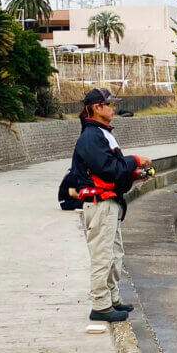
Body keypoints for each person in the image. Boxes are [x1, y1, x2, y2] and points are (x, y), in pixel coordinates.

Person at [71, 88, 151, 323]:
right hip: (100, 205)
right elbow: (108, 168)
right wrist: (135, 160)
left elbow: (112, 171)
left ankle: (112, 299)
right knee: (103, 256)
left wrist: (134, 175)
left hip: (109, 203)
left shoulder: (102, 134)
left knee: (115, 254)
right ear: (96, 108)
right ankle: (100, 305)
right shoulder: (91, 136)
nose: (113, 108)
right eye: (109, 104)